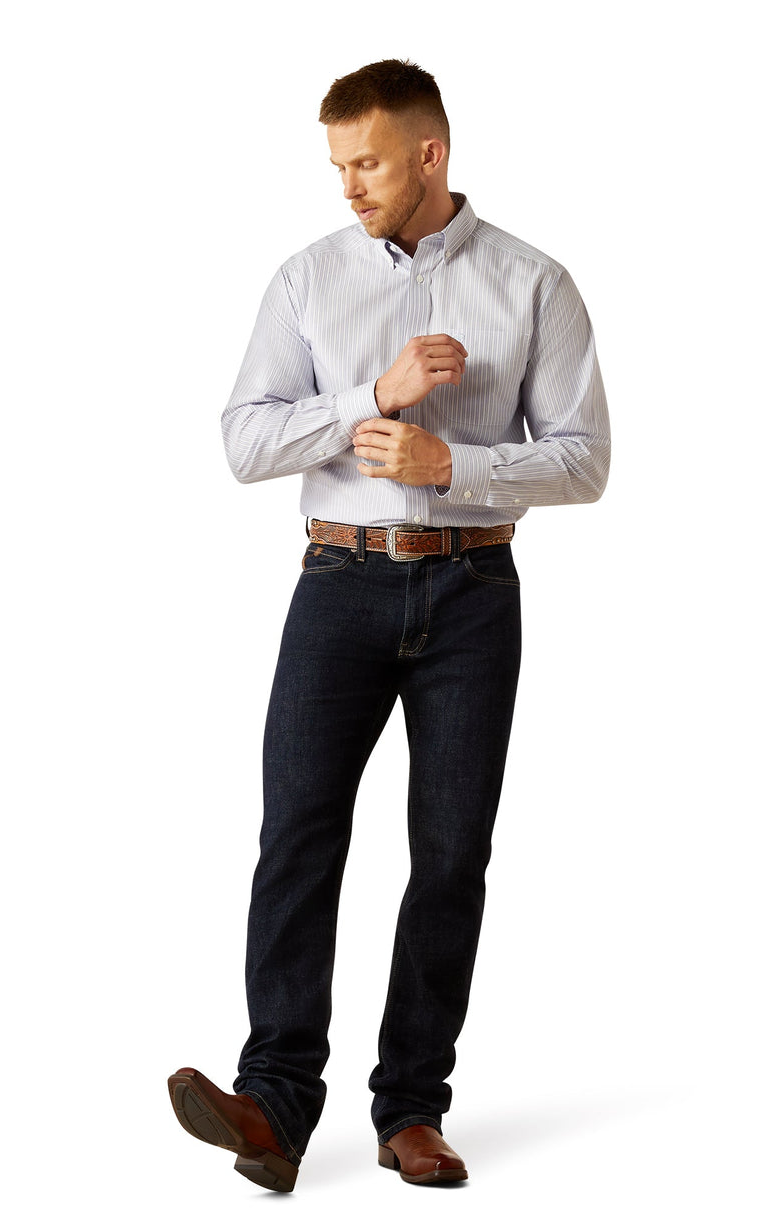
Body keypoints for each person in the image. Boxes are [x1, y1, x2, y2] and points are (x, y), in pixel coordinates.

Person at [167, 58, 610, 1193]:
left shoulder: (534, 283)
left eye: (366, 162)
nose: (349, 185)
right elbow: (244, 442)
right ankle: (273, 1105)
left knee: (451, 852)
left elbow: (584, 461)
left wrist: (450, 463)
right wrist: (372, 397)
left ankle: (413, 1107)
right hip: (338, 584)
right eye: (337, 165)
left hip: (474, 594)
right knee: (298, 833)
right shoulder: (307, 280)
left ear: (430, 153)